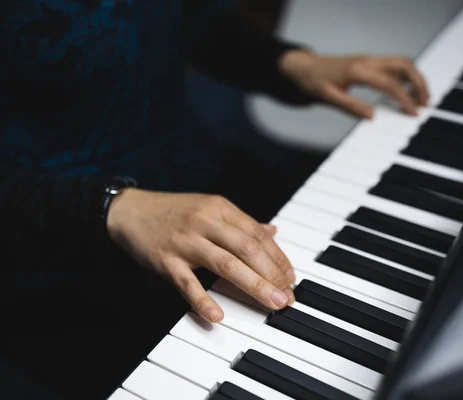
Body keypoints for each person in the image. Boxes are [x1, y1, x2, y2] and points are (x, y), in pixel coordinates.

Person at [0, 1, 429, 398]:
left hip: (199, 168)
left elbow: (179, 14)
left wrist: (289, 62)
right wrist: (110, 206)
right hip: (60, 249)